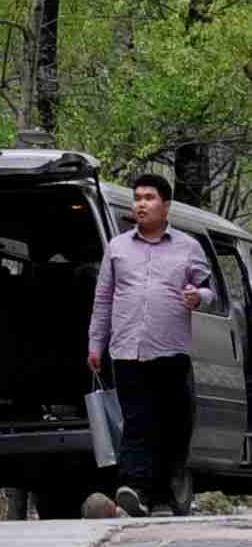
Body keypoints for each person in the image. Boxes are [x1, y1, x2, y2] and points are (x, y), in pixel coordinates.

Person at [88, 174, 214, 519]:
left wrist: (196, 297)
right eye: (137, 197)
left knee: (171, 426)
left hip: (170, 352)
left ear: (166, 205)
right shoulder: (117, 248)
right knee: (136, 421)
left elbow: (209, 291)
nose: (141, 204)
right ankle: (133, 489)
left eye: (149, 197)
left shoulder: (188, 247)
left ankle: (161, 497)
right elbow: (103, 301)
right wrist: (95, 345)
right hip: (126, 351)